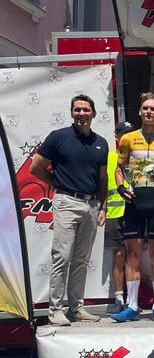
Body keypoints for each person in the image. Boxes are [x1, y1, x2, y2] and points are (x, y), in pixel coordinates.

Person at [30, 94, 109, 326]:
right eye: (77, 110)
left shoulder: (101, 142)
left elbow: (102, 178)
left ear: (94, 113)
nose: (81, 114)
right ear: (71, 112)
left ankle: (76, 308)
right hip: (67, 202)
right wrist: (55, 183)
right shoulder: (58, 137)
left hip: (92, 205)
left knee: (81, 259)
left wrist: (102, 206)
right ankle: (55, 309)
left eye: (86, 110)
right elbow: (36, 167)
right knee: (61, 257)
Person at [112, 93, 154, 323]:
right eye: (145, 108)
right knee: (132, 254)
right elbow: (119, 168)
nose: (149, 112)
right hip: (135, 200)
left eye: (153, 109)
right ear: (140, 112)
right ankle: (132, 305)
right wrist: (121, 188)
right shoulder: (128, 139)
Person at [105, 121, 135, 314]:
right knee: (118, 256)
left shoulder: (140, 157)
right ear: (117, 137)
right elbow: (100, 183)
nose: (126, 138)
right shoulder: (108, 157)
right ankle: (119, 297)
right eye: (123, 134)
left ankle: (134, 298)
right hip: (114, 214)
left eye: (129, 134)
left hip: (136, 211)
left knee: (136, 256)